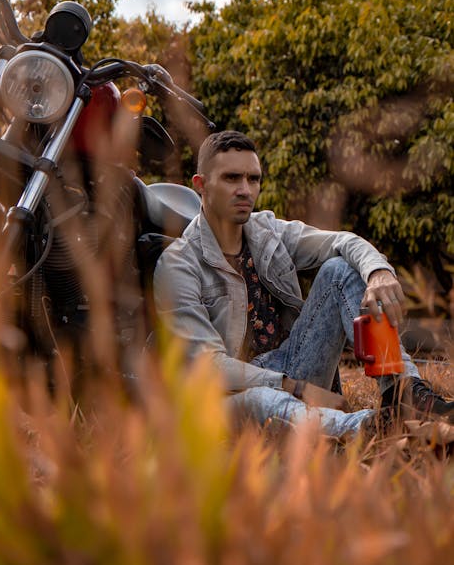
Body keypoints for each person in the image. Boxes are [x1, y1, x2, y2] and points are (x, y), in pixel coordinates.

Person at [153, 130, 453, 437]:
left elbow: (343, 241)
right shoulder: (178, 264)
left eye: (253, 179)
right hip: (229, 399)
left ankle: (404, 393)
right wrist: (291, 386)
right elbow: (209, 367)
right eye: (231, 178)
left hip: (290, 365)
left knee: (340, 268)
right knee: (261, 398)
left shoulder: (266, 231)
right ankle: (373, 429)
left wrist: (379, 272)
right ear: (201, 185)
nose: (245, 190)